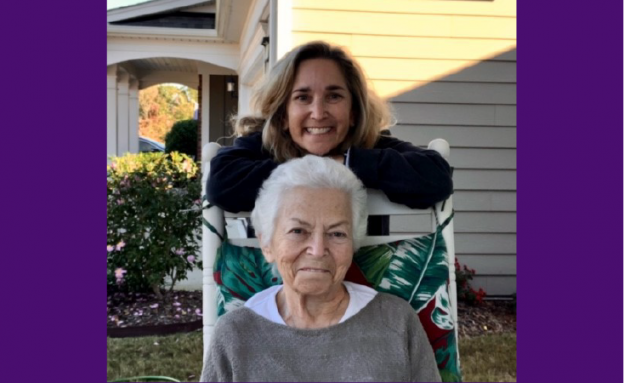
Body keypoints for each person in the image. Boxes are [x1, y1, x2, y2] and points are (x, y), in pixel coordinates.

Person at [200, 156, 441, 382]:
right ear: (267, 244)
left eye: (337, 233)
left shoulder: (395, 320)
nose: (317, 250)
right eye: (298, 231)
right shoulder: (235, 334)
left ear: (353, 245)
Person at [206, 41, 452, 235]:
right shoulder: (262, 145)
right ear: (282, 115)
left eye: (333, 96)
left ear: (353, 112)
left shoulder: (371, 145)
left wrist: (346, 163)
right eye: (303, 97)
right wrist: (319, 167)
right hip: (277, 292)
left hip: (364, 292)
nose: (318, 112)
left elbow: (436, 177)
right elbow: (221, 184)